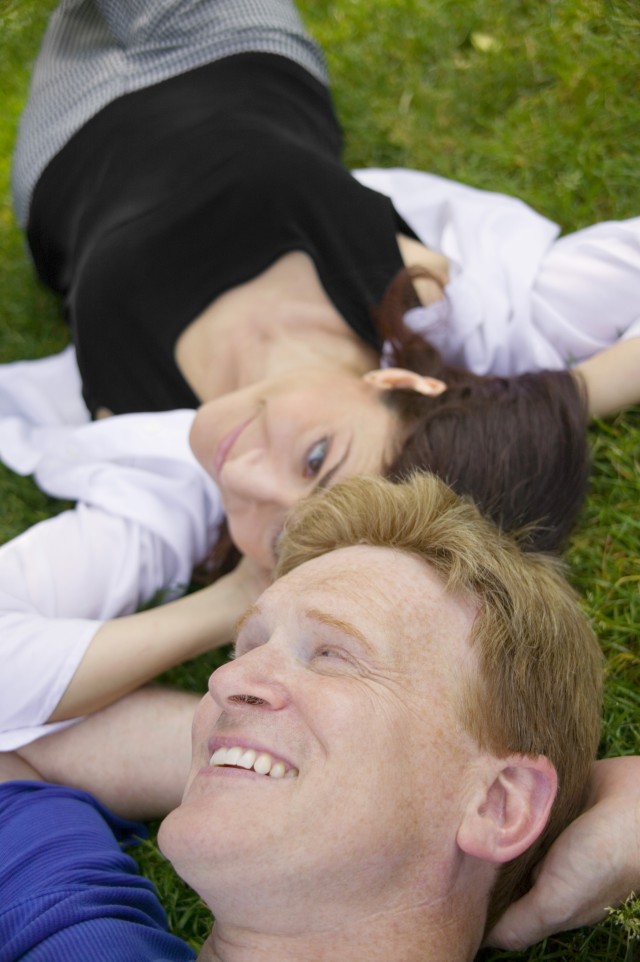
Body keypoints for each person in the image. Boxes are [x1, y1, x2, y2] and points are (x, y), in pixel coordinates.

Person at [1, 0, 639, 758]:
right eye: (315, 459)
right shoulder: (434, 307)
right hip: (228, 36)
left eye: (277, 533)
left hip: (59, 144)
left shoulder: (167, 489)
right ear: (398, 384)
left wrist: (232, 598)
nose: (244, 475)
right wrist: (567, 395)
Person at [0, 472, 609, 960]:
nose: (227, 679)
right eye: (246, 648)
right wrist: (249, 755)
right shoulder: (79, 936)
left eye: (333, 656)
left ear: (499, 805)